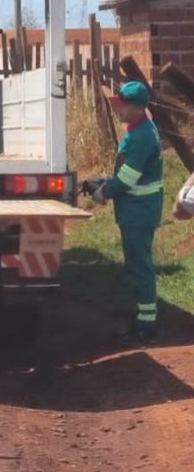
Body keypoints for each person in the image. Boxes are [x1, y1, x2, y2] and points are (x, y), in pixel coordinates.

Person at [89, 81, 163, 344]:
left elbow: (129, 179)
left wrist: (104, 192)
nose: (117, 110)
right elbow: (127, 175)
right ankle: (143, 320)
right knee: (136, 266)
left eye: (122, 106)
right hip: (137, 213)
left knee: (140, 268)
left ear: (137, 107)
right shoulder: (140, 130)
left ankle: (147, 326)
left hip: (138, 214)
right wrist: (107, 180)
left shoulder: (141, 137)